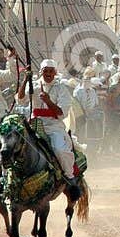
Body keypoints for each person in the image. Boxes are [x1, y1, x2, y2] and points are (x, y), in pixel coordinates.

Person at [24, 59, 79, 187]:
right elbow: (21, 99)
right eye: (45, 71)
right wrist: (25, 79)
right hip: (34, 125)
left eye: (50, 71)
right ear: (41, 72)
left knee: (59, 150)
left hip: (54, 126)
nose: (48, 74)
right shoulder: (34, 85)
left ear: (55, 73)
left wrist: (48, 101)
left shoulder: (61, 89)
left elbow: (61, 113)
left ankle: (70, 177)